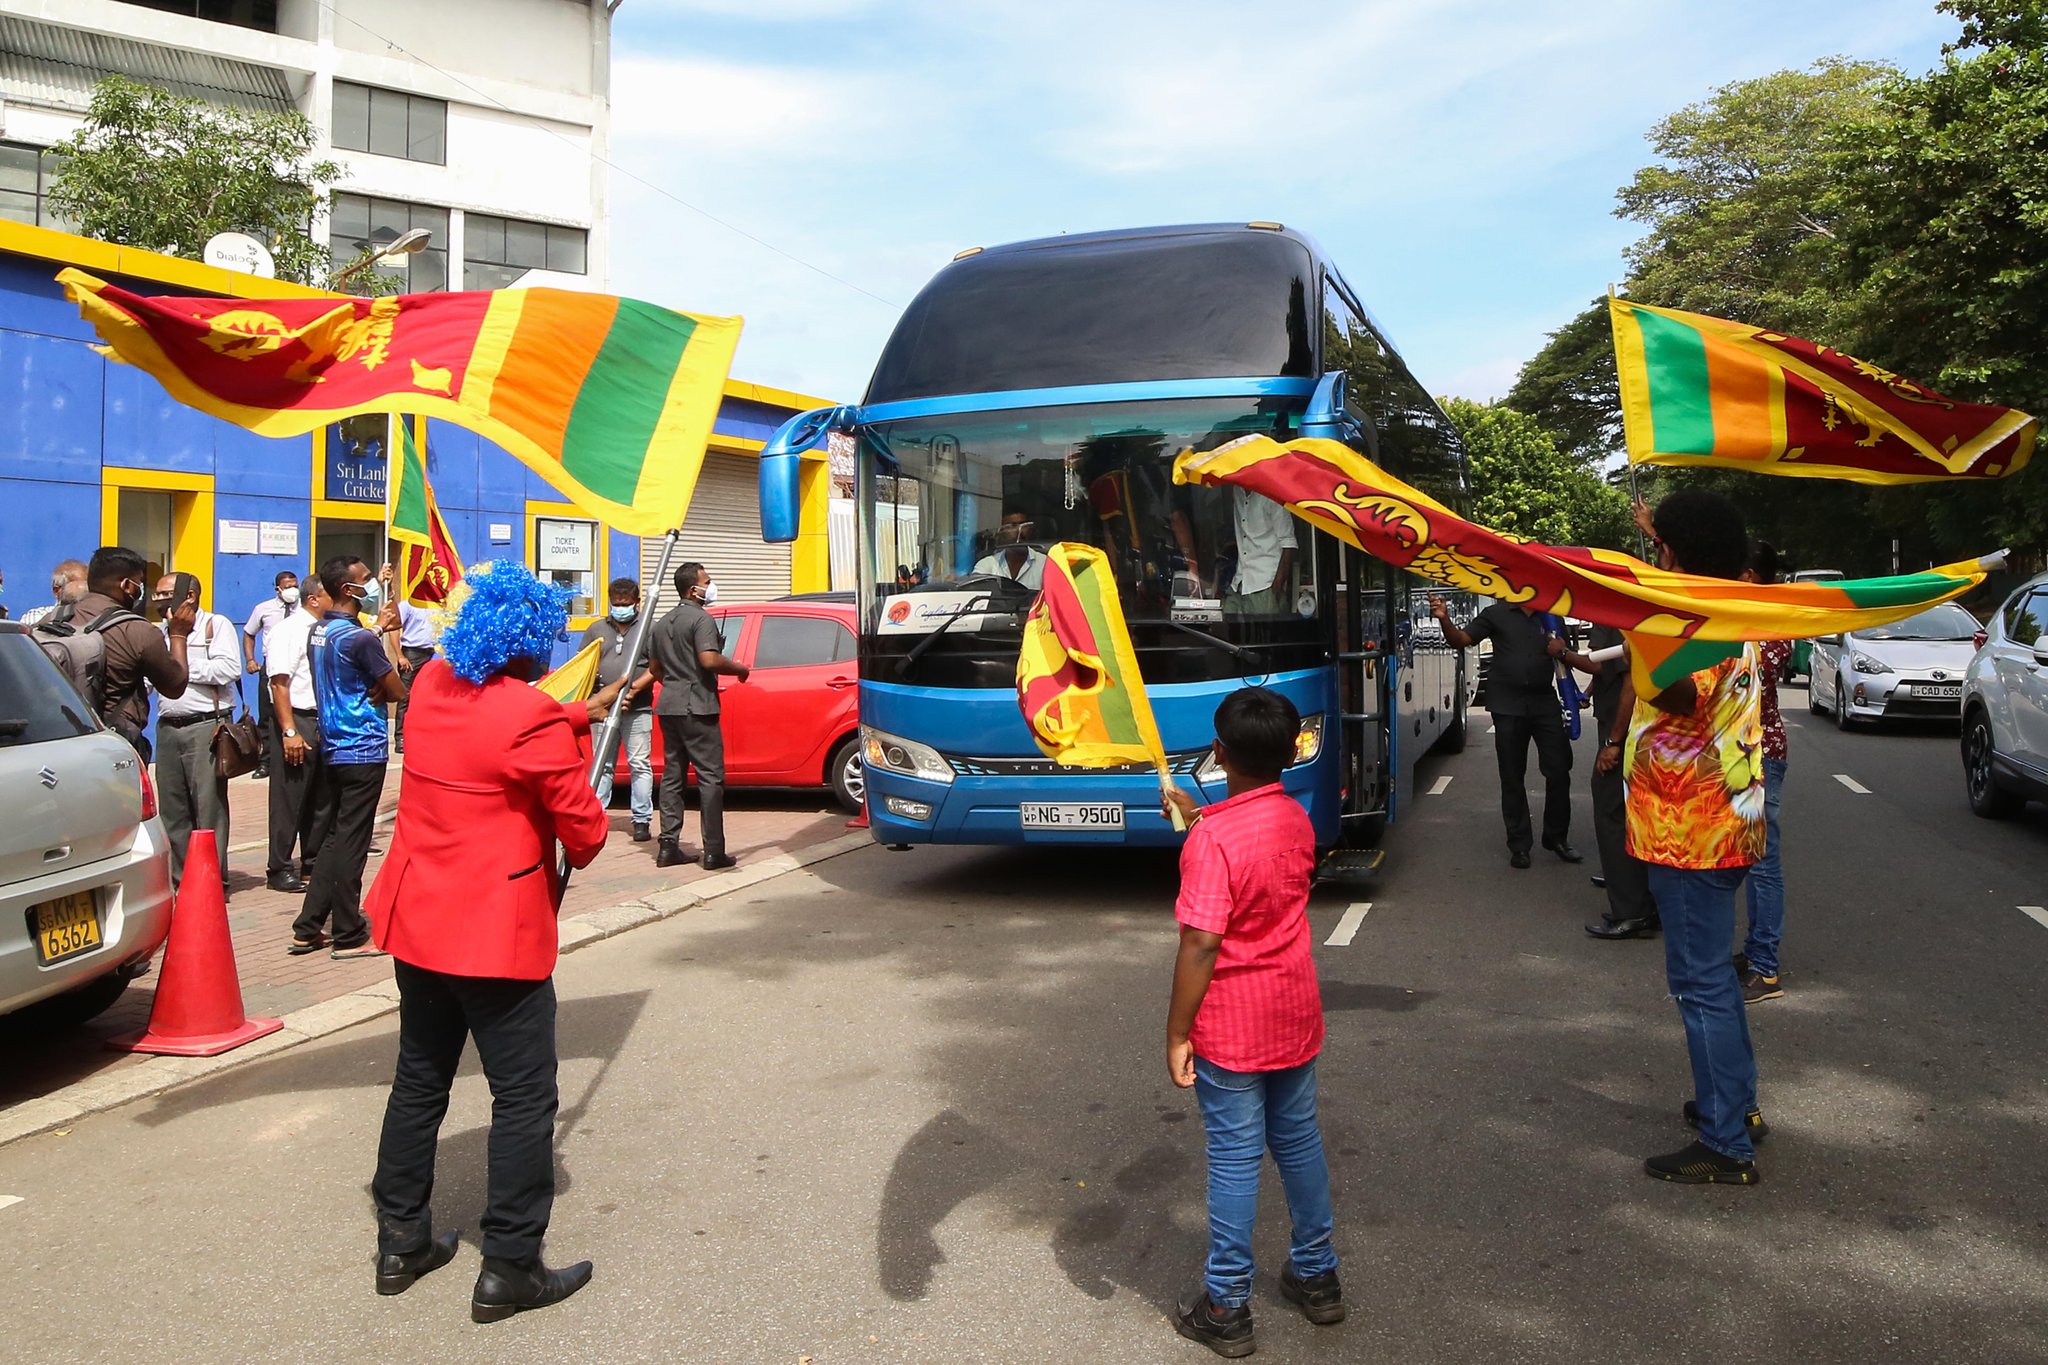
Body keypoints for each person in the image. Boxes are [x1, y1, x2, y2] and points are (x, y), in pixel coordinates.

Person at [365, 562, 616, 1322]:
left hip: (419, 918)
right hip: (493, 933)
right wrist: (575, 745)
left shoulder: (435, 682)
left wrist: (581, 714)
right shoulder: (528, 717)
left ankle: (401, 1240)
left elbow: (501, 727)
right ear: (532, 640)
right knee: (524, 1095)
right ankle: (510, 1263)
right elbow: (589, 832)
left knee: (419, 1078)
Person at [1161, 688, 1342, 1357]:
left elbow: (1202, 942)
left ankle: (1226, 1303)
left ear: (1218, 751)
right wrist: (1196, 812)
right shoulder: (1295, 816)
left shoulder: (1212, 841)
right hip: (1293, 1012)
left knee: (1235, 1160)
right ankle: (1318, 1275)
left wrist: (1178, 1032)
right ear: (1294, 749)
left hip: (1234, 1028)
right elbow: (1252, 839)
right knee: (1298, 1143)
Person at [1628, 491, 1769, 1185]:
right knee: (1715, 980)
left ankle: (1726, 1144)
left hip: (1692, 831)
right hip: (1722, 821)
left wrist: (1631, 620)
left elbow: (1677, 693)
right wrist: (1665, 536)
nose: (1657, 556)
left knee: (1700, 983)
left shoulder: (1700, 618)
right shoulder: (1729, 600)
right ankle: (1735, 1109)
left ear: (1683, 553)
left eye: (1663, 546)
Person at [291, 555, 404, 959]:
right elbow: (396, 690)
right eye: (366, 579)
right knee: (352, 842)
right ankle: (348, 930)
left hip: (334, 744)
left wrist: (377, 633)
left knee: (334, 839)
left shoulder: (320, 631)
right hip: (362, 746)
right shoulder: (359, 640)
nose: (373, 584)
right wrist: (381, 657)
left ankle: (308, 926)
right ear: (348, 589)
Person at [1428, 595, 1581, 868]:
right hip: (1507, 705)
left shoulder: (1551, 615)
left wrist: (1575, 694)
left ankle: (1556, 837)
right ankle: (1519, 844)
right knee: (1512, 776)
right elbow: (1461, 640)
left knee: (1559, 769)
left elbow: (1563, 657)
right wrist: (1444, 619)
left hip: (1544, 703)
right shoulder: (1495, 614)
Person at [644, 562, 748, 871]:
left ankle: (668, 845)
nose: (710, 586)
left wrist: (675, 683)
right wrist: (739, 668)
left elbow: (654, 669)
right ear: (693, 589)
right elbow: (708, 659)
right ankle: (714, 850)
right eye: (707, 581)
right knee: (710, 778)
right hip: (698, 706)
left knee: (673, 777)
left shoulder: (661, 623)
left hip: (669, 705)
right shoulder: (701, 619)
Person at [45, 547, 194, 760]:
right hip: (114, 747)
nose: (141, 590)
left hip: (58, 742)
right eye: (139, 584)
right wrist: (179, 634)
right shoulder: (137, 630)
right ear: (126, 585)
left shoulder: (52, 620)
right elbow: (175, 685)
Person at [1564, 625, 1660, 940]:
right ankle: (1645, 904)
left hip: (1623, 731)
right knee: (1633, 816)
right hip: (1645, 731)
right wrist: (1590, 692)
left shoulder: (1611, 616)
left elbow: (1627, 681)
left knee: (1611, 814)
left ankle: (1631, 912)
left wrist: (1613, 743)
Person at [151, 573, 242, 896]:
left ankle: (211, 881)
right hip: (168, 727)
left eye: (164, 594)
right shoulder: (158, 631)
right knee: (173, 810)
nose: (158, 600)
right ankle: (182, 880)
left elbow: (230, 669)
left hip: (206, 726)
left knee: (208, 808)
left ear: (189, 596)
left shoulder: (215, 626)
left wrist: (180, 667)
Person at [1738, 542, 1790, 1004]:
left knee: (1763, 863)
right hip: (1737, 754)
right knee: (1745, 858)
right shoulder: (1746, 614)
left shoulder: (1773, 622)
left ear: (1751, 575)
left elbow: (1755, 672)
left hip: (1761, 753)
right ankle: (1754, 948)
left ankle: (1765, 966)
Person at [264, 575, 333, 894]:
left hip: (324, 719)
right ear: (314, 599)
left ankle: (312, 861)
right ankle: (279, 866)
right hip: (298, 717)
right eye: (330, 594)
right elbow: (279, 683)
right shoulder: (287, 631)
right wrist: (289, 730)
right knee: (289, 798)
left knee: (321, 798)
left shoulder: (326, 630)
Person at [580, 577, 656, 842]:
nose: (620, 607)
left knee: (639, 764)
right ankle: (596, 815)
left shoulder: (648, 629)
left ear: (636, 603)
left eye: (626, 603)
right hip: (602, 709)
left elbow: (657, 667)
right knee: (603, 765)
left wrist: (633, 690)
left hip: (638, 709)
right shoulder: (596, 629)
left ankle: (642, 820)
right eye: (616, 603)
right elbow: (584, 665)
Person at [242, 571, 300, 778]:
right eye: (288, 586)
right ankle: (265, 761)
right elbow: (249, 633)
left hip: (298, 665)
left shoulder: (303, 608)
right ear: (278, 589)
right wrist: (250, 659)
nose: (293, 590)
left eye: (295, 585)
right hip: (272, 666)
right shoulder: (263, 609)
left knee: (296, 711)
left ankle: (293, 756)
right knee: (267, 714)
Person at [392, 597, 441, 753]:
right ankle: (401, 737)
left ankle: (426, 735)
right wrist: (400, 656)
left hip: (433, 652)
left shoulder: (438, 604)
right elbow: (394, 628)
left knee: (430, 695)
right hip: (412, 652)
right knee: (405, 696)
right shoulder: (407, 605)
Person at [970, 510, 1047, 590]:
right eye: (1012, 526)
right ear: (1002, 531)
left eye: (1024, 525)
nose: (1019, 531)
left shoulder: (1045, 564)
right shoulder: (987, 565)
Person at [19, 558, 87, 628]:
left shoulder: (94, 617)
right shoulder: (37, 617)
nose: (85, 591)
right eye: (78, 587)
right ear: (57, 591)